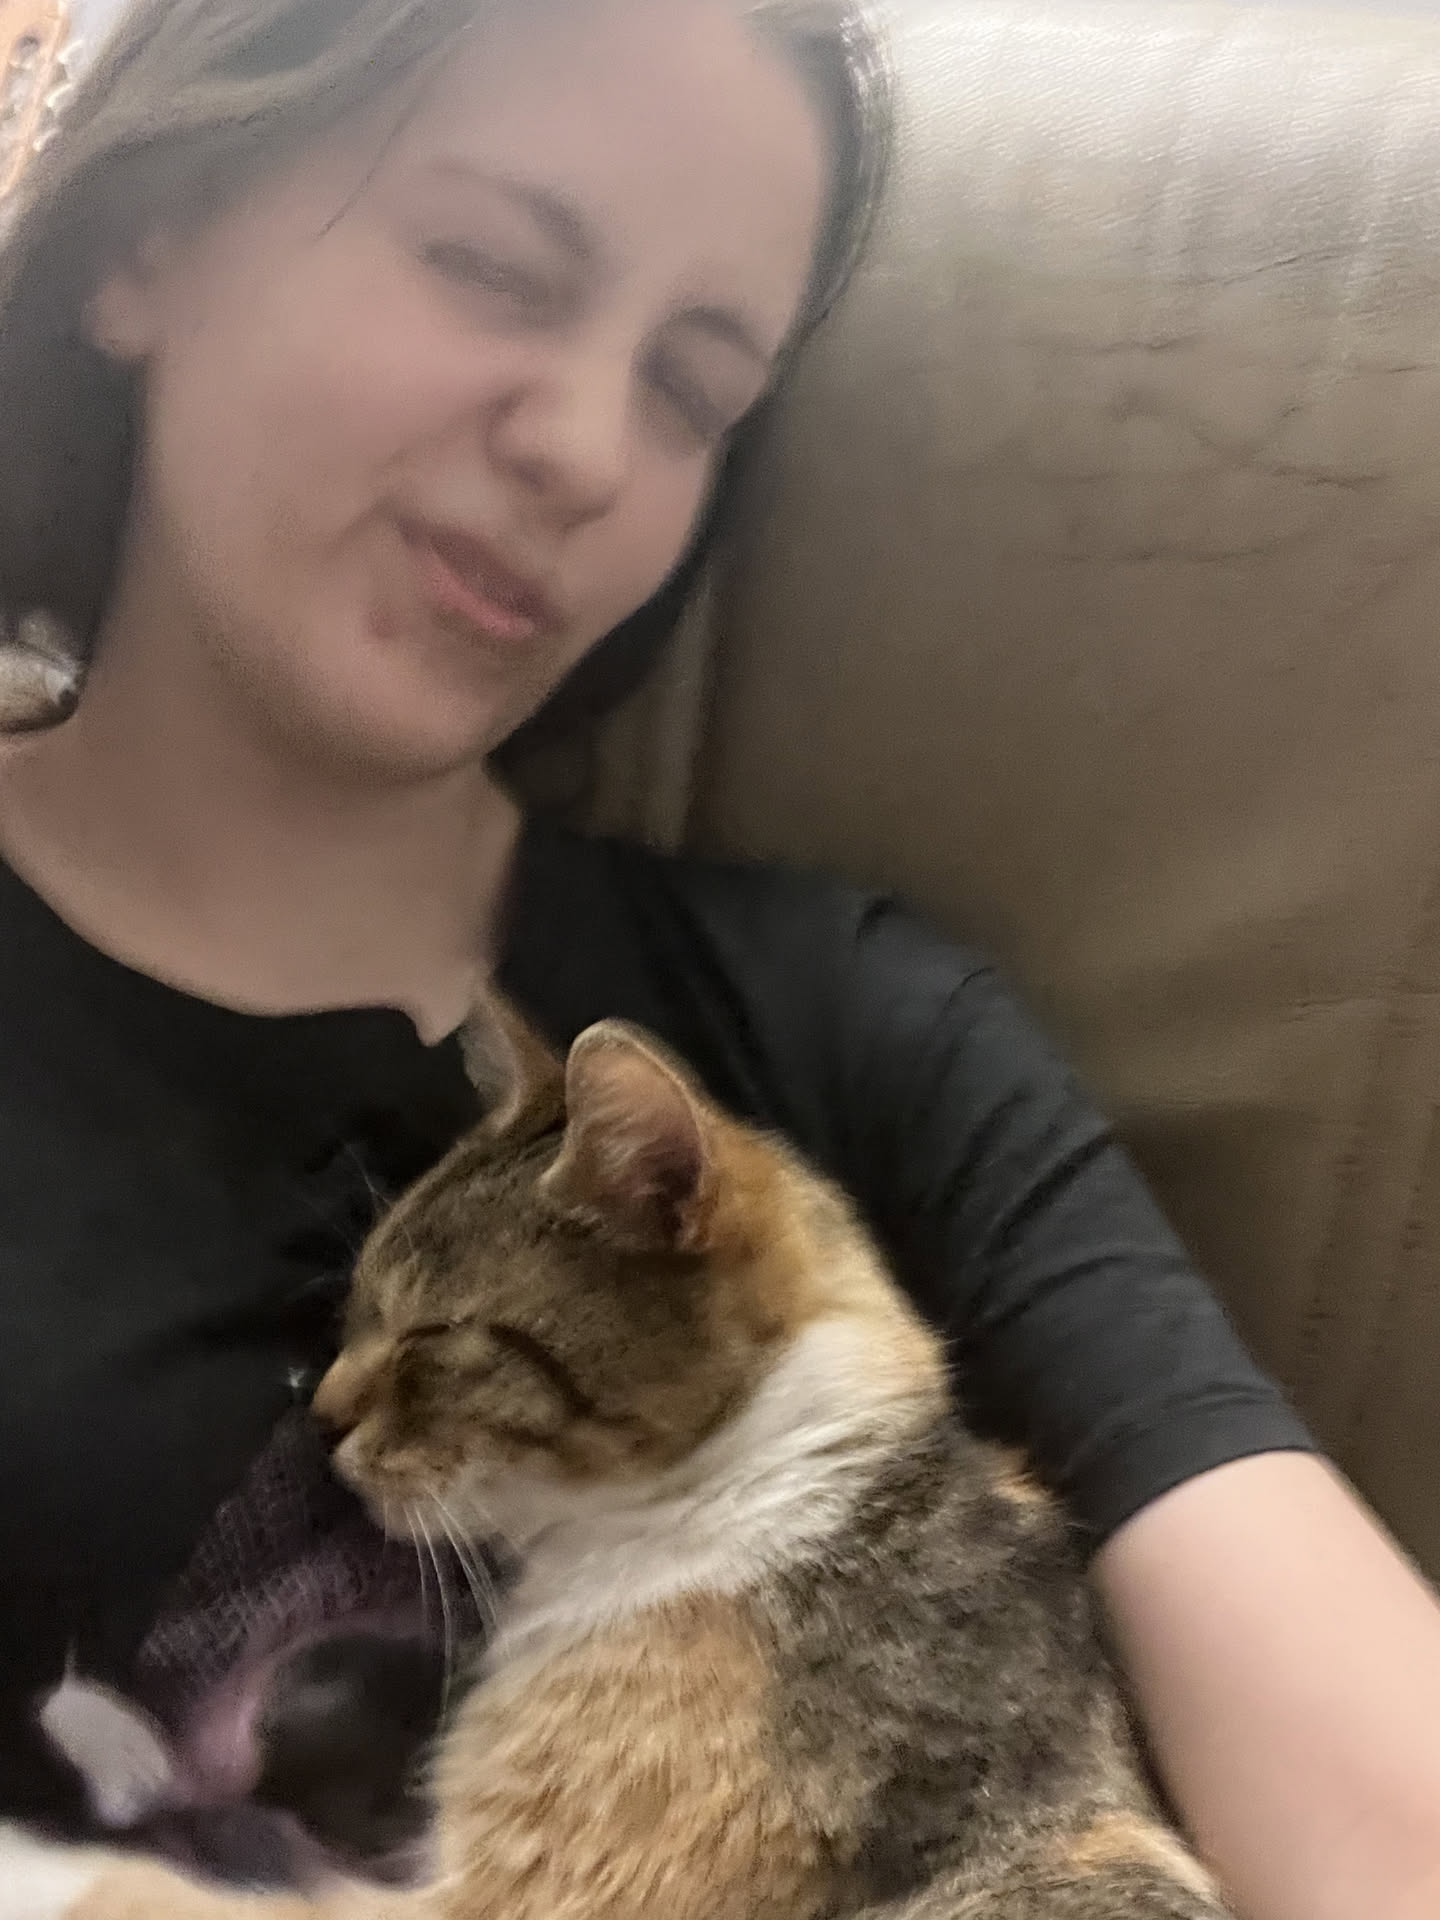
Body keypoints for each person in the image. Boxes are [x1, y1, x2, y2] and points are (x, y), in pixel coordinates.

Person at [0, 0, 1437, 1913]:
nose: (589, 451)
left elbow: (1382, 1803)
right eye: (491, 262)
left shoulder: (856, 1030)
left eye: (691, 390)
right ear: (145, 238)